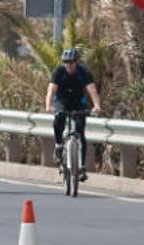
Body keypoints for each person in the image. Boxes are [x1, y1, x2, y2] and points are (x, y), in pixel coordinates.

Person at [45, 48, 102, 182]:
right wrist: (49, 105)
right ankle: (59, 145)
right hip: (62, 102)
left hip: (78, 103)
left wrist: (97, 106)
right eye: (66, 62)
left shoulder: (83, 72)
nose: (68, 65)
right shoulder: (58, 72)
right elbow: (51, 90)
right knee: (58, 119)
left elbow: (92, 91)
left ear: (76, 62)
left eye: (71, 62)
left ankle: (81, 167)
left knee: (80, 133)